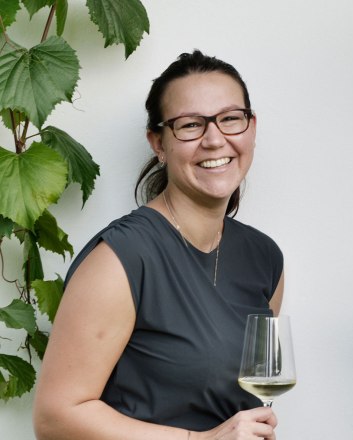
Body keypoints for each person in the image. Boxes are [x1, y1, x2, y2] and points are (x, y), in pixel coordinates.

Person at [33, 50, 284, 440]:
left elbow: (251, 401)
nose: (215, 139)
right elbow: (55, 418)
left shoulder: (265, 257)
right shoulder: (121, 258)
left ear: (251, 127)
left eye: (231, 119)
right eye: (190, 125)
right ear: (158, 143)